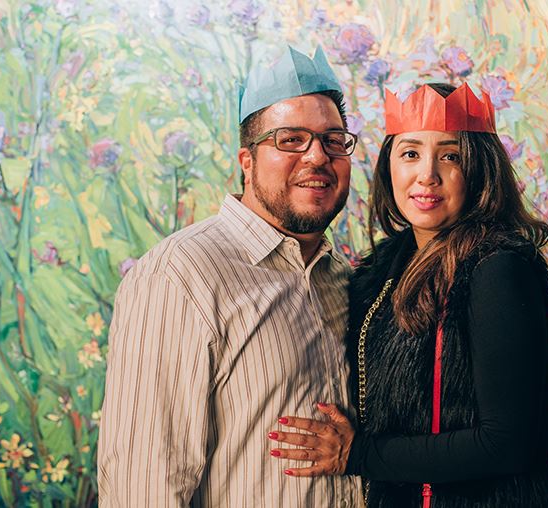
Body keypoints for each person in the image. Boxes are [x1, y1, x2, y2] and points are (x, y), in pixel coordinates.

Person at [268, 83, 548, 507]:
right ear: (390, 166)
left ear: (479, 169)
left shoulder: (498, 269)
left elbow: (507, 443)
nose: (427, 174)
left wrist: (358, 453)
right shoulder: (382, 269)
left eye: (450, 155)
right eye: (410, 153)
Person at [98, 46, 363, 507]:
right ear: (247, 160)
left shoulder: (345, 279)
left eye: (333, 139)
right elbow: (143, 484)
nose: (317, 157)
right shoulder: (180, 276)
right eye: (290, 139)